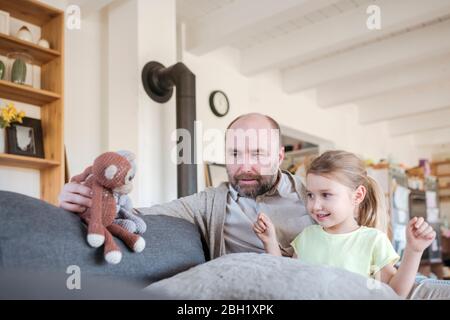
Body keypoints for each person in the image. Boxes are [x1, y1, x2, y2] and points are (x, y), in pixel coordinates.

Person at [59, 113, 314, 259]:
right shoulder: (211, 203)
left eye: (257, 155)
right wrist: (87, 203)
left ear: (280, 157)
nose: (245, 166)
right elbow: (138, 215)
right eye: (235, 154)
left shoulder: (313, 196)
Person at [253, 150, 436, 298]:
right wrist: (270, 241)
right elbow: (287, 278)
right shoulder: (307, 236)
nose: (315, 206)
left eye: (326, 195)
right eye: (310, 195)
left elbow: (395, 293)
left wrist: (414, 250)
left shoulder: (372, 240)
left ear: (357, 196)